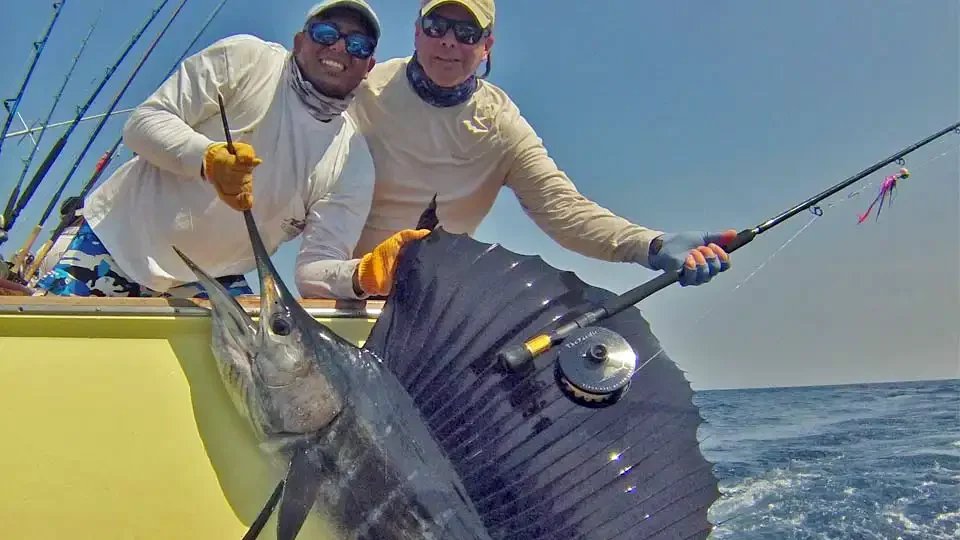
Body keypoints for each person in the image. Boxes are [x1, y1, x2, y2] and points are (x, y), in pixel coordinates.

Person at [36, 0, 427, 300]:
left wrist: (362, 275)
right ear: (299, 41)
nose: (340, 47)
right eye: (327, 33)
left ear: (369, 65)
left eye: (357, 44)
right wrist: (206, 159)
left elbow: (313, 269)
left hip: (210, 283)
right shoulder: (245, 59)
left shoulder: (353, 163)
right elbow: (142, 125)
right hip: (114, 241)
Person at [351, 0, 737, 288]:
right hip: (341, 294)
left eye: (467, 33)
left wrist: (650, 245)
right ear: (417, 31)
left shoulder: (501, 124)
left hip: (434, 306)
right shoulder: (363, 91)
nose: (449, 42)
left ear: (487, 45)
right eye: (437, 26)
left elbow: (563, 211)